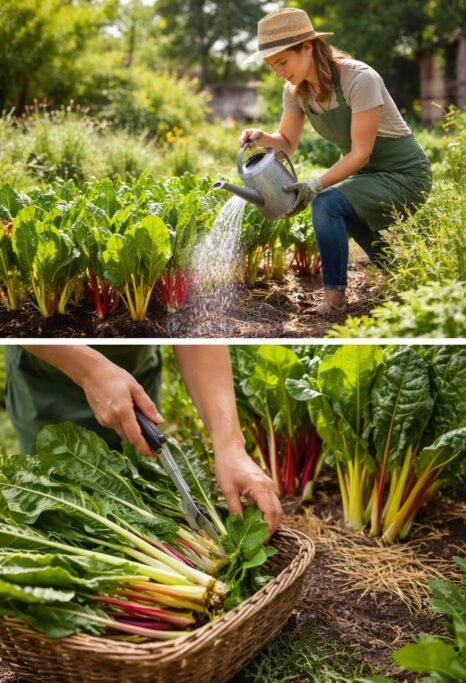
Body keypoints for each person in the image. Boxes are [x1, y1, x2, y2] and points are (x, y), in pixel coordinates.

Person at [239, 7, 432, 315]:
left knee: (326, 202)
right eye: (272, 65)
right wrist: (263, 138)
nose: (278, 71)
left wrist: (315, 185)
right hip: (368, 176)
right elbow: (287, 143)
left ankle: (334, 299)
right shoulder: (296, 91)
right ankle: (403, 276)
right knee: (341, 207)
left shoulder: (359, 78)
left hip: (404, 174)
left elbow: (361, 153)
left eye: (282, 62)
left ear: (307, 47)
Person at [4, 345, 283, 536]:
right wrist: (90, 371)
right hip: (49, 382)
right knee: (65, 511)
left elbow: (197, 337)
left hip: (135, 383)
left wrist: (230, 447)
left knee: (142, 490)